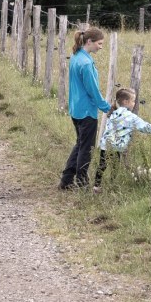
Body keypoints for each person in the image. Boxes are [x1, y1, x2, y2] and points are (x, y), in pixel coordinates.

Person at [61, 26, 111, 189]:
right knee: (87, 148)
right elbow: (93, 90)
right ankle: (82, 182)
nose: (101, 47)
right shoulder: (86, 63)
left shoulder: (76, 56)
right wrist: (106, 107)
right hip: (87, 111)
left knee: (80, 144)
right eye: (99, 43)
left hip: (76, 109)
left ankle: (67, 180)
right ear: (89, 41)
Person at [92, 88, 151, 192]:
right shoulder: (130, 117)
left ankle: (96, 186)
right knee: (115, 167)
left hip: (105, 145)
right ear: (126, 102)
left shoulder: (113, 113)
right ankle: (112, 185)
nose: (134, 103)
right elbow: (145, 127)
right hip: (117, 147)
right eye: (133, 100)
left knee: (102, 165)